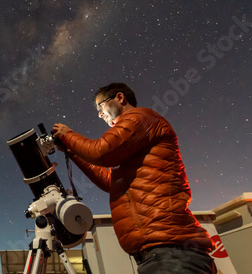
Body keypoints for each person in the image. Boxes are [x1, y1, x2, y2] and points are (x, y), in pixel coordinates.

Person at [52, 83, 217, 274]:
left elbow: (100, 151)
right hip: (160, 254)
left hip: (172, 253)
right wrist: (73, 151)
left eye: (100, 106)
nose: (99, 114)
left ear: (120, 98)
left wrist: (67, 135)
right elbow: (110, 181)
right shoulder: (132, 138)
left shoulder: (140, 118)